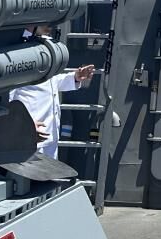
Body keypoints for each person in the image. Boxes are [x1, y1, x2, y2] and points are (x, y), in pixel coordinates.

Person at [8, 27, 95, 160]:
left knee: (48, 171)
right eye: (45, 22)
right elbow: (8, 94)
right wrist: (23, 124)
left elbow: (51, 82)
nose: (50, 26)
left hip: (49, 134)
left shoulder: (46, 45)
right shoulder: (18, 47)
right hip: (27, 134)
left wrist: (75, 77)